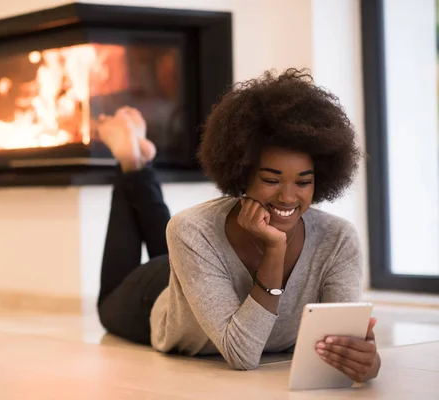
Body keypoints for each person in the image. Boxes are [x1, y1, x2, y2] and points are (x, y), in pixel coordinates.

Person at [95, 68, 381, 382]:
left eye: (303, 182)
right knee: (110, 298)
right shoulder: (193, 230)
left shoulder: (337, 239)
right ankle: (131, 164)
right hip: (156, 294)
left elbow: (341, 345)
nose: (288, 197)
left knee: (185, 234)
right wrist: (275, 250)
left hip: (201, 264)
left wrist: (366, 363)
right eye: (271, 179)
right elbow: (242, 355)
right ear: (242, 173)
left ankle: (140, 164)